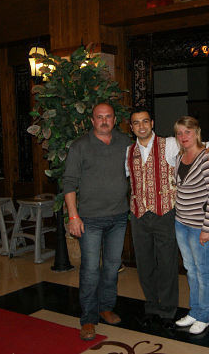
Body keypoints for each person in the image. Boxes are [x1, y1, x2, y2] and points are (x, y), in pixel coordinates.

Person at [126, 108, 209, 330]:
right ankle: (151, 307)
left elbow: (196, 143)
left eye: (145, 121)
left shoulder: (169, 144)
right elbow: (129, 180)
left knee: (168, 264)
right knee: (145, 265)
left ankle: (168, 310)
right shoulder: (128, 151)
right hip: (139, 215)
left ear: (152, 123)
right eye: (136, 123)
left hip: (166, 213)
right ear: (131, 127)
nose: (141, 126)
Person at [63, 103, 130, 341]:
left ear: (114, 119)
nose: (104, 121)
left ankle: (105, 307)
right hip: (89, 219)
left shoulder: (125, 143)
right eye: (99, 117)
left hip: (119, 217)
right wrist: (73, 216)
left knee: (112, 266)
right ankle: (88, 319)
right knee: (90, 270)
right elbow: (69, 183)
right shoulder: (80, 146)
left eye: (108, 117)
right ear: (92, 121)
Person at [172, 116, 209, 335]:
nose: (183, 136)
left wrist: (206, 229)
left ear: (197, 132)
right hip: (181, 222)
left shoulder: (207, 158)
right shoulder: (179, 157)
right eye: (179, 133)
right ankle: (195, 310)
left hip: (199, 225)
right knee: (190, 269)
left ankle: (204, 315)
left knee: (202, 270)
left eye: (187, 132)